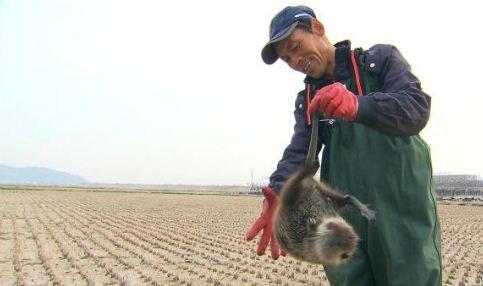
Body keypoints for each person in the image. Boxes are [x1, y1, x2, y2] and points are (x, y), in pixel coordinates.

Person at [246, 5, 442, 286]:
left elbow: (416, 108)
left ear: (317, 28)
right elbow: (300, 154)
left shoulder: (379, 62)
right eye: (287, 58)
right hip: (347, 217)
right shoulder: (309, 99)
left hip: (402, 212)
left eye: (296, 47)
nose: (295, 61)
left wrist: (359, 106)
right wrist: (278, 192)